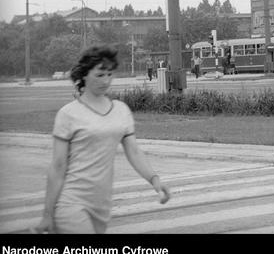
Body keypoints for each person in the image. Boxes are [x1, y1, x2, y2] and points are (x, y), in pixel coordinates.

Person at [34, 45, 171, 234]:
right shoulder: (68, 114)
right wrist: (47, 215)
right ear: (84, 75)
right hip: (71, 203)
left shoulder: (121, 110)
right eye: (99, 75)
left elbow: (134, 152)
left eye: (109, 74)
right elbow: (57, 167)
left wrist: (154, 179)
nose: (105, 80)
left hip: (102, 206)